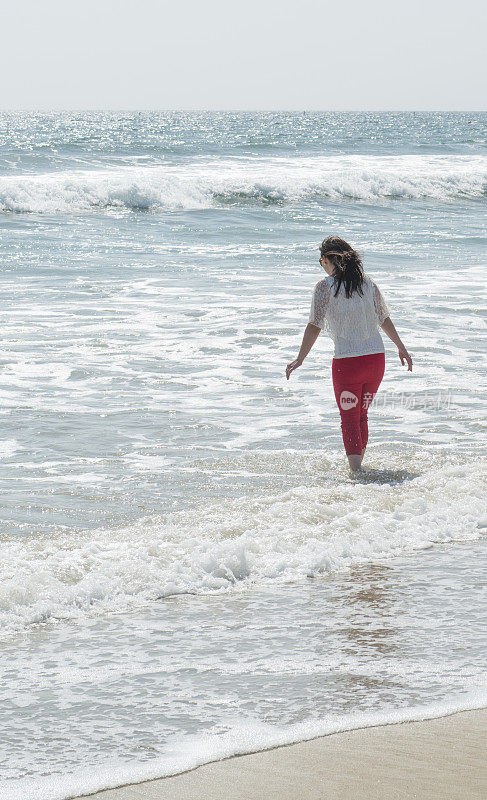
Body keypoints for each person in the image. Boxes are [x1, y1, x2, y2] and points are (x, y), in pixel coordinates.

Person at [286, 236, 413, 474]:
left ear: (327, 259)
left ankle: (356, 473)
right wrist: (401, 347)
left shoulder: (325, 287)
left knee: (349, 418)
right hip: (376, 360)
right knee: (361, 414)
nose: (321, 265)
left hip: (348, 363)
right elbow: (383, 318)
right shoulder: (368, 283)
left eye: (320, 260)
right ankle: (359, 466)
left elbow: (315, 324)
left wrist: (300, 358)